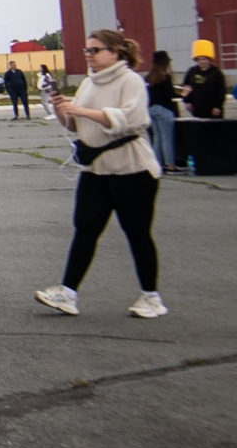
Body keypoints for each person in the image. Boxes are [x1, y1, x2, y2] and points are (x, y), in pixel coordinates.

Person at [35, 28, 165, 319]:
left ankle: (151, 297)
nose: (89, 56)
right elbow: (73, 125)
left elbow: (128, 119)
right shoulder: (89, 84)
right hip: (96, 170)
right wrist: (62, 109)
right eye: (86, 51)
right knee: (85, 229)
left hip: (132, 170)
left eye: (95, 50)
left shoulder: (130, 80)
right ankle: (68, 293)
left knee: (137, 233)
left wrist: (80, 110)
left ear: (115, 52)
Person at [145, 51, 179, 170]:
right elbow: (170, 94)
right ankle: (170, 164)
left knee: (157, 137)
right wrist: (184, 94)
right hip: (164, 109)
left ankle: (157, 164)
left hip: (151, 109)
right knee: (167, 138)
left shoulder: (148, 77)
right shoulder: (165, 77)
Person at [181, 43, 227, 120]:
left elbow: (221, 91)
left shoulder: (216, 73)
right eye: (199, 59)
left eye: (204, 59)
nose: (201, 61)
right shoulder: (192, 71)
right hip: (197, 109)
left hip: (213, 110)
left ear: (209, 60)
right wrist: (187, 101)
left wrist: (218, 106)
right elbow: (186, 87)